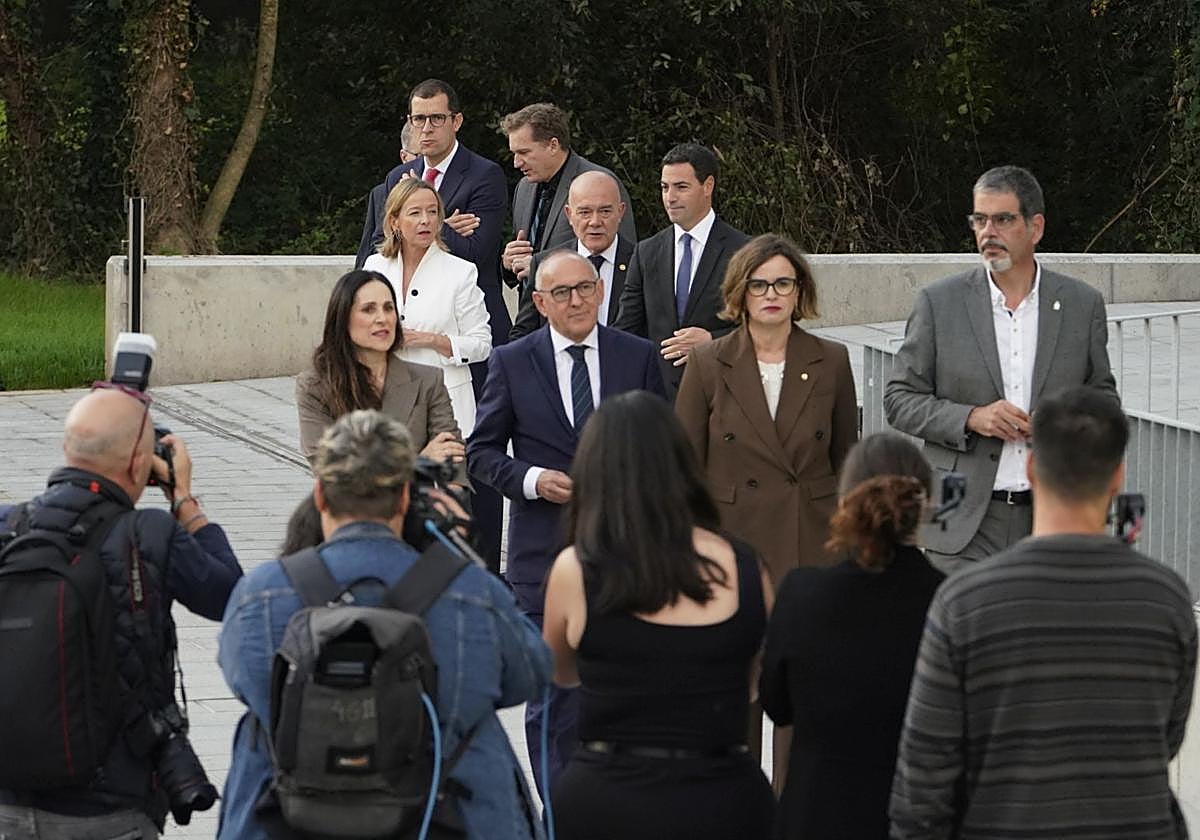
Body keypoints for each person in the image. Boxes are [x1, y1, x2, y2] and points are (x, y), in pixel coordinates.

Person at [219, 409, 551, 840]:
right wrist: (457, 553)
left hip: (291, 820)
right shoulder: (468, 591)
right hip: (451, 819)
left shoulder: (262, 593)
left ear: (320, 496)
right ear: (405, 499)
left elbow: (244, 680)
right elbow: (533, 672)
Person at [890, 385, 1196, 840]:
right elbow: (1164, 740)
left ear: (1031, 468)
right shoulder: (1167, 600)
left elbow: (924, 783)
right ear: (1117, 477)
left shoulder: (964, 604)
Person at [0, 385, 242, 838]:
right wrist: (184, 499)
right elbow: (231, 594)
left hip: (11, 802)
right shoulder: (150, 533)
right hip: (110, 807)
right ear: (138, 462)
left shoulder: (9, 526)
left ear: (67, 448)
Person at [467, 250, 666, 789]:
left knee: (626, 694)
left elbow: (664, 447)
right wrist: (533, 479)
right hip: (543, 556)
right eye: (562, 293)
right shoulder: (512, 361)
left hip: (628, 554)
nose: (576, 300)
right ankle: (560, 817)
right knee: (554, 699)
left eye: (584, 288)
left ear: (600, 291)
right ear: (539, 302)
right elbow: (480, 453)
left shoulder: (638, 356)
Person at [543, 390, 775, 840]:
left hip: (607, 799)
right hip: (723, 794)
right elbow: (751, 683)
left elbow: (561, 672)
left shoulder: (576, 568)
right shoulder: (745, 565)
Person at [675, 232, 857, 784]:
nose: (772, 294)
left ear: (799, 290)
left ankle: (794, 812)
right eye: (760, 284)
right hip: (735, 545)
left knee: (802, 690)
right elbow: (684, 468)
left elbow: (846, 459)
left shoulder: (831, 360)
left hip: (812, 543)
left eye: (783, 282)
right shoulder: (708, 363)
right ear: (741, 292)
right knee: (739, 688)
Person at [885, 165, 1118, 575]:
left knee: (1041, 639)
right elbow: (900, 399)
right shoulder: (940, 303)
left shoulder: (1083, 305)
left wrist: (1060, 423)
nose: (988, 232)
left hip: (1052, 514)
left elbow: (1104, 401)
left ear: (1036, 227)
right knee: (963, 638)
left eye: (1003, 219)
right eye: (979, 219)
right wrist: (972, 417)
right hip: (961, 520)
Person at [759, 433, 944, 840]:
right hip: (915, 821)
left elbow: (777, 705)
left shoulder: (801, 593)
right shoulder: (949, 603)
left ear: (844, 500)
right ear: (926, 506)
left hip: (815, 816)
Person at [358, 79, 509, 572]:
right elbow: (367, 256)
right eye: (418, 119)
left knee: (475, 471)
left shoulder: (484, 174)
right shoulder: (396, 175)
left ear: (455, 121)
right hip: (397, 385)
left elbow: (479, 251)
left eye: (436, 118)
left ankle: (483, 572)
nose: (426, 127)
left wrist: (438, 229)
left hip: (462, 353)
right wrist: (448, 223)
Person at [295, 269, 464, 474]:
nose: (382, 318)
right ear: (342, 318)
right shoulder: (315, 386)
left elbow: (453, 462)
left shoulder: (429, 379)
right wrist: (419, 464)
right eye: (368, 309)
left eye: (388, 308)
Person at [614, 142, 750, 398]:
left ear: (708, 186)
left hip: (723, 398)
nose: (670, 197)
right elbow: (627, 329)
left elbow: (763, 330)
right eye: (665, 188)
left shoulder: (744, 251)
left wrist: (712, 341)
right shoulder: (646, 252)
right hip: (658, 404)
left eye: (681, 187)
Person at [362, 178, 491, 435]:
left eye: (432, 212)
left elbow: (482, 345)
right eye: (415, 213)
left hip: (447, 406)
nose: (426, 220)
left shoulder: (461, 272)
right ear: (394, 221)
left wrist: (430, 340)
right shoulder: (374, 266)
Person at [499, 102, 636, 289]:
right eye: (514, 153)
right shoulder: (524, 188)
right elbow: (524, 265)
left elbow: (622, 259)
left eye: (524, 152)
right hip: (534, 312)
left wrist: (542, 268)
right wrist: (509, 262)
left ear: (553, 145)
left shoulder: (600, 183)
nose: (516, 163)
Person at [510, 170, 633, 339]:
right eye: (584, 212)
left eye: (605, 211)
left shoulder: (642, 263)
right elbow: (523, 333)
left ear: (620, 212)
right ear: (569, 214)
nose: (595, 222)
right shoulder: (546, 263)